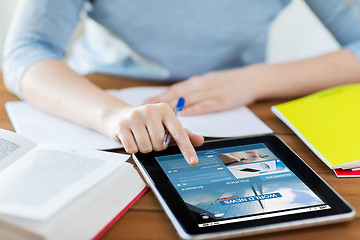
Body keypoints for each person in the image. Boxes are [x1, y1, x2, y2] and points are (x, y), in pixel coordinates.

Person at [3, 1, 360, 166]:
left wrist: (256, 79)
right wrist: (113, 116)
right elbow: (25, 51)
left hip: (237, 109)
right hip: (95, 98)